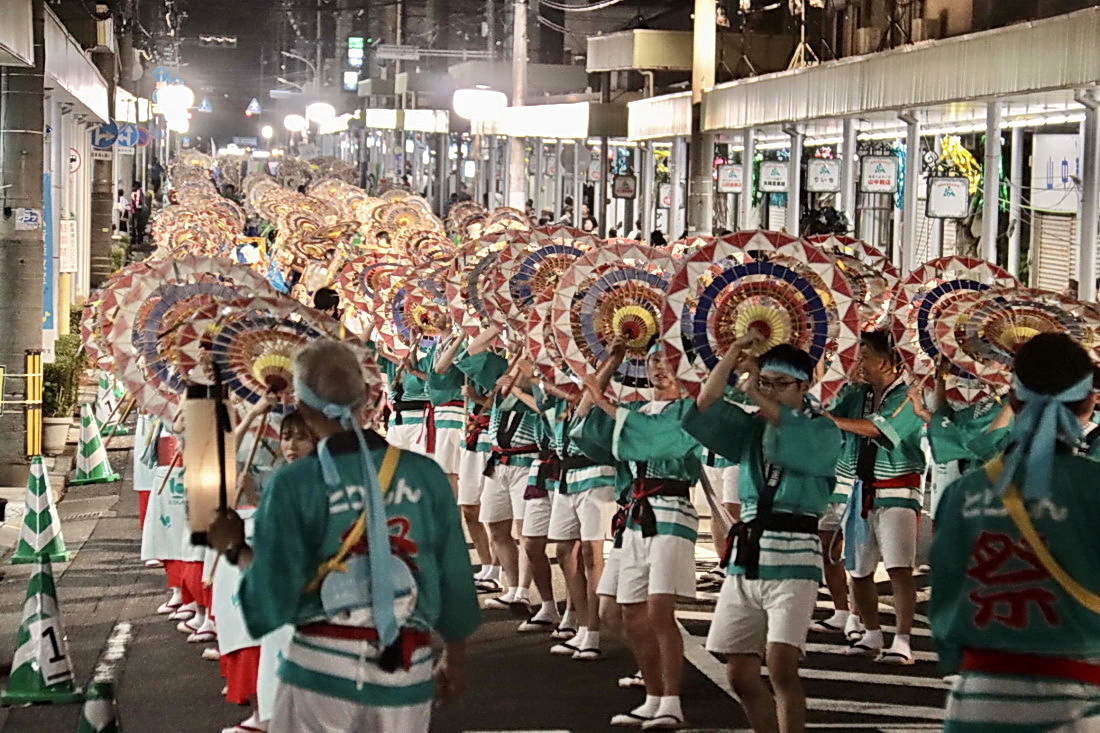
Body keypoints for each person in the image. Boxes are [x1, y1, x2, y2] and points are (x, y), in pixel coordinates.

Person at [211, 339, 480, 732]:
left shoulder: (292, 484)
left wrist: (233, 547)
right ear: (368, 397)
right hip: (405, 671)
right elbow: (455, 579)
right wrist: (454, 659)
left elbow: (270, 602)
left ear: (302, 408)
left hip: (319, 674)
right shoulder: (425, 475)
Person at [930, 332, 1100, 732]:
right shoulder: (1094, 487)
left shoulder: (965, 492)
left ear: (1013, 400)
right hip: (1079, 697)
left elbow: (945, 598)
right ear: (1090, 402)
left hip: (980, 695)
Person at [684, 338, 843, 733]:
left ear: (805, 387)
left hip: (795, 556)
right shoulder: (751, 426)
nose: (768, 390)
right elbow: (703, 407)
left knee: (782, 665)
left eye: (779, 383)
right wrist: (732, 356)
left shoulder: (823, 428)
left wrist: (754, 388)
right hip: (748, 555)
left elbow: (796, 445)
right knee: (739, 673)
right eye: (765, 382)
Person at [575, 341, 702, 730]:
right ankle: (653, 694)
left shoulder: (691, 412)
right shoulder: (636, 409)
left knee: (660, 611)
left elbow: (655, 439)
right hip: (634, 515)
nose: (659, 368)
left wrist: (603, 400)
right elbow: (583, 427)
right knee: (624, 613)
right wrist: (610, 363)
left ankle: (671, 701)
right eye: (652, 361)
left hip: (670, 511)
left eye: (668, 361)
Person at [827, 329, 926, 664]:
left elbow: (878, 429)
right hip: (858, 487)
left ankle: (903, 639)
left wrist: (833, 419)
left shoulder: (909, 396)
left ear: (888, 361)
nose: (860, 361)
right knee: (859, 568)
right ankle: (871, 633)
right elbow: (826, 408)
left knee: (899, 568)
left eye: (866, 354)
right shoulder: (857, 393)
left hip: (898, 487)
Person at [130, 181, 148, 247]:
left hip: (139, 211)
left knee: (139, 226)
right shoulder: (132, 192)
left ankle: (139, 238)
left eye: (136, 186)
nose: (135, 187)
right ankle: (134, 238)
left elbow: (142, 202)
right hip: (134, 211)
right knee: (134, 226)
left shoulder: (140, 192)